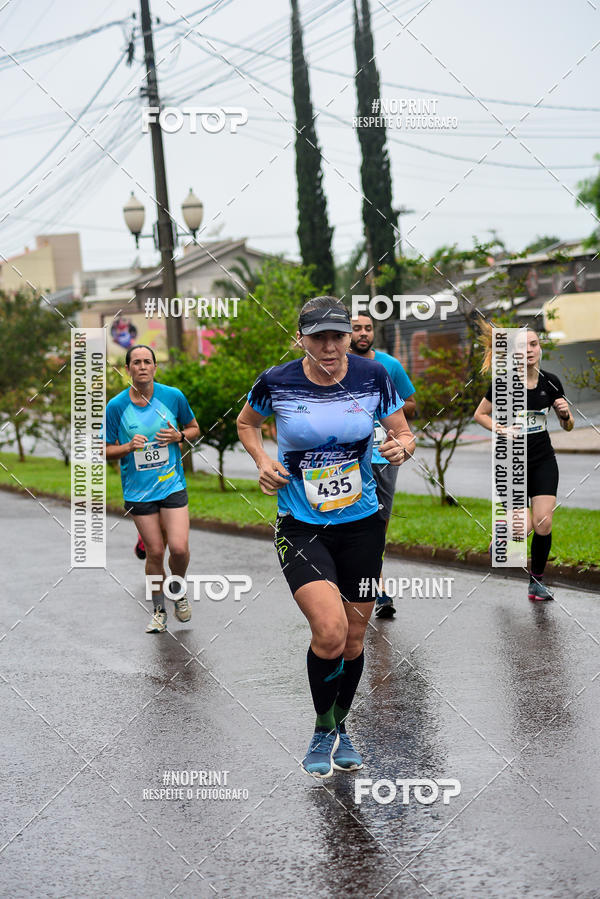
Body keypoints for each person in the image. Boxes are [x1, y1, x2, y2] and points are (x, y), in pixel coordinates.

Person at [236, 296, 415, 778]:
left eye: (337, 335)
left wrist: (401, 447)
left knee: (356, 638)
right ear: (301, 339)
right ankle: (321, 728)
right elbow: (247, 424)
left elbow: (402, 431)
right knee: (330, 631)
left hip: (361, 523)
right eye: (319, 337)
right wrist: (262, 461)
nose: (331, 346)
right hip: (301, 525)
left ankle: (341, 727)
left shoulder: (372, 376)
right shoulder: (277, 382)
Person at [474, 326, 574, 601]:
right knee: (521, 526)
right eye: (522, 346)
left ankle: (537, 582)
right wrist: (499, 428)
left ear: (539, 348)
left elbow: (568, 427)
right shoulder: (503, 384)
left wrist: (565, 415)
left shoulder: (551, 382)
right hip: (511, 461)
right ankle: (504, 539)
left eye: (533, 344)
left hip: (543, 458)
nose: (528, 350)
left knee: (543, 522)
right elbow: (480, 414)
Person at [105, 345, 200, 632]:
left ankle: (178, 589)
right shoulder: (116, 407)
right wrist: (126, 447)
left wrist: (179, 435)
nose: (142, 366)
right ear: (128, 369)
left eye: (147, 361)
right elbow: (104, 450)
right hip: (138, 492)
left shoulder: (173, 396)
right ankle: (159, 609)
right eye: (136, 362)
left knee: (180, 549)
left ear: (155, 368)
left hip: (171, 484)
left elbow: (194, 428)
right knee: (156, 552)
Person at [350, 311, 416, 619]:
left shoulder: (389, 366)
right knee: (354, 523)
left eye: (367, 328)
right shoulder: (337, 366)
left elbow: (411, 403)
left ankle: (371, 585)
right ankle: (374, 589)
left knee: (378, 527)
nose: (363, 333)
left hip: (384, 455)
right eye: (356, 329)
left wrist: (386, 407)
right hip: (349, 459)